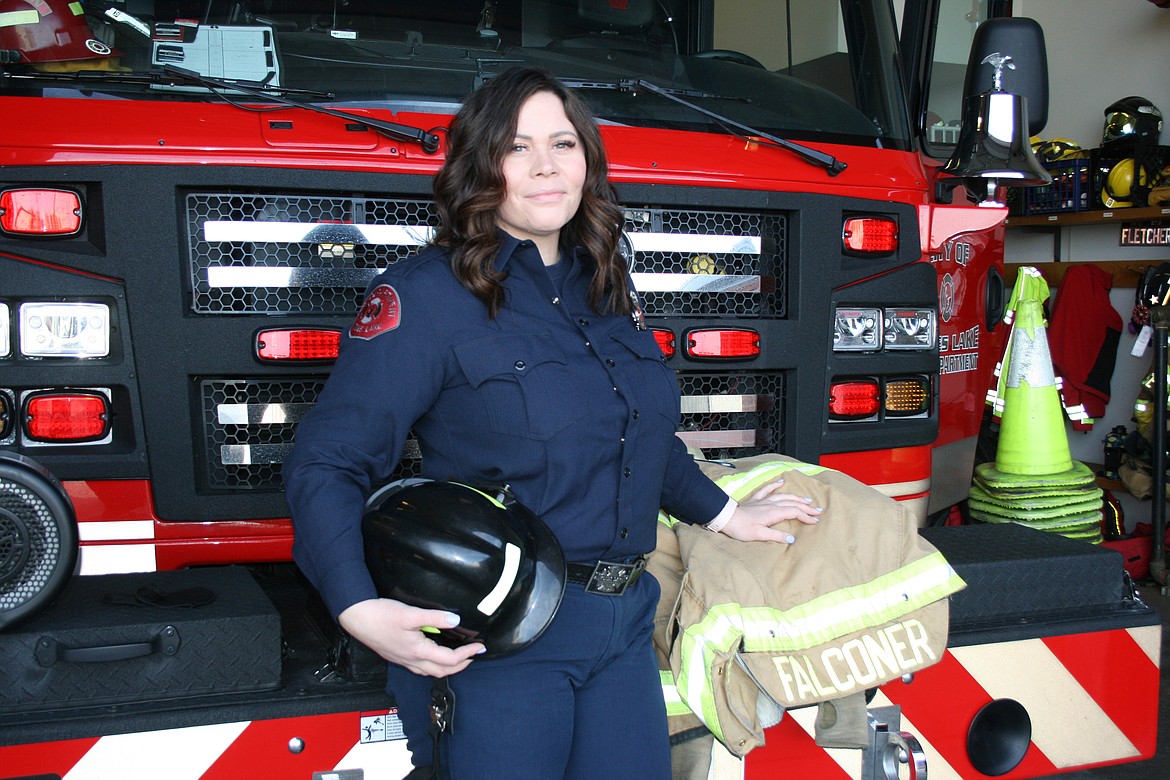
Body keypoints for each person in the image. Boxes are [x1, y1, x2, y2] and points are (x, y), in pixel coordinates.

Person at [283, 66, 824, 780]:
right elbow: (327, 461)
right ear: (482, 166)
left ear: (587, 161)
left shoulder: (605, 287)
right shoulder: (428, 297)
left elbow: (636, 436)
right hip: (503, 635)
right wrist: (355, 605)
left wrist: (725, 513)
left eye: (563, 144)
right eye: (517, 147)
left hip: (623, 623)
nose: (545, 166)